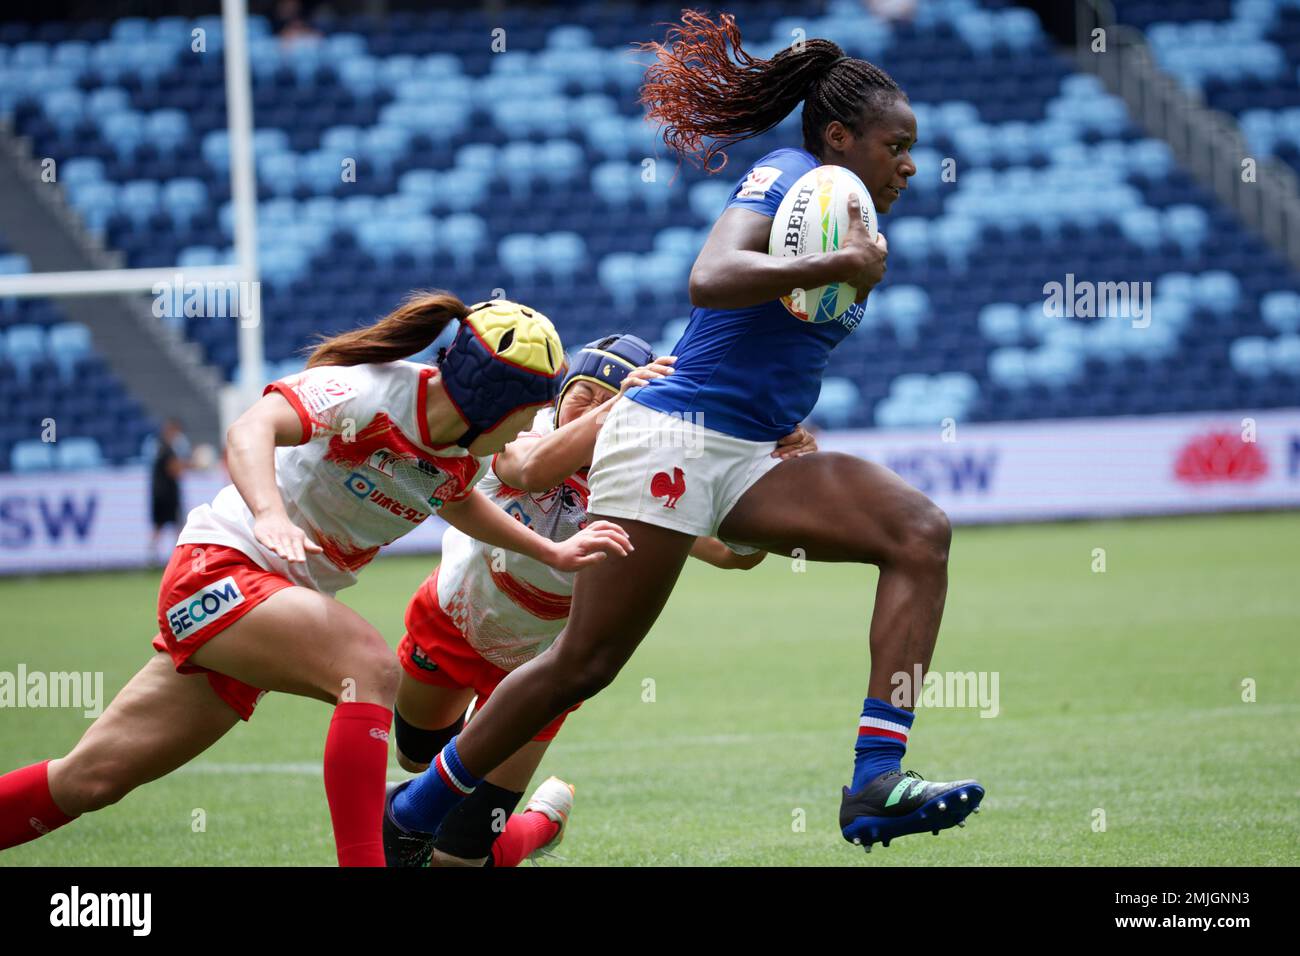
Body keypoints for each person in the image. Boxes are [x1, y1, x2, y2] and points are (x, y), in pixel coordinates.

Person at [387, 12, 983, 857]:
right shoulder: (786, 173)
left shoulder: (853, 227)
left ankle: (874, 781)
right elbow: (710, 280)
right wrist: (835, 266)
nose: (912, 164)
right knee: (583, 667)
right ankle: (409, 814)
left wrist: (791, 410)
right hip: (671, 438)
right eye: (898, 145)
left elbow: (770, 348)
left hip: (747, 456)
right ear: (842, 138)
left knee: (919, 532)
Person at [0, 294, 631, 866]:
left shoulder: (459, 452)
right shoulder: (368, 393)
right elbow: (252, 427)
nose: (534, 426)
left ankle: (523, 828)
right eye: (534, 409)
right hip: (219, 570)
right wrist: (270, 515)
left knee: (89, 780)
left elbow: (459, 500)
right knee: (369, 668)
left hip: (264, 613)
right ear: (498, 403)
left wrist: (551, 553)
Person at [385, 333, 815, 866]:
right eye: (583, 393)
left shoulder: (645, 474)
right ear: (560, 395)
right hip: (454, 622)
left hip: (545, 669)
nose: (591, 406)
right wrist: (620, 405)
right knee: (415, 759)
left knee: (458, 857)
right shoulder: (524, 433)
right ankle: (467, 791)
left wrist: (777, 477)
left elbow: (733, 556)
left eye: (609, 396)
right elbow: (529, 471)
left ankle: (539, 825)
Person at [149, 418, 191, 562]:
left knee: (160, 526)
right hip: (167, 495)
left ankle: (152, 556)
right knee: (177, 527)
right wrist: (193, 464)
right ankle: (179, 559)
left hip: (160, 494)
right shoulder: (166, 448)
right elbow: (174, 469)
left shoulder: (159, 447)